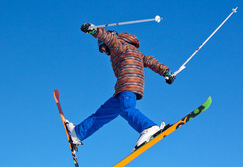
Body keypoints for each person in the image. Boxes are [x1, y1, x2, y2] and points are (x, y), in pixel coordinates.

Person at [65, 23, 175, 151]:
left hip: (128, 81)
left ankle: (148, 127)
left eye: (103, 49)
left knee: (127, 108)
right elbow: (151, 61)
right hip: (126, 85)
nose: (105, 53)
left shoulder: (118, 45)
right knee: (104, 113)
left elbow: (109, 38)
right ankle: (78, 133)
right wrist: (166, 72)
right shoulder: (135, 51)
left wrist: (93, 30)